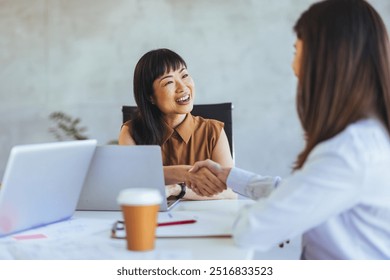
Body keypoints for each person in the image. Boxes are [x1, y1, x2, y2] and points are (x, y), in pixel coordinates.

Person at [188, 0, 390, 259]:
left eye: (297, 51)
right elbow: (300, 193)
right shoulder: (367, 137)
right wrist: (230, 176)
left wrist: (245, 212)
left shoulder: (348, 152)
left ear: (325, 58)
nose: (294, 68)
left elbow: (252, 229)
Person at [118, 48, 236, 200]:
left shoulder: (213, 131)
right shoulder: (130, 132)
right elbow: (131, 179)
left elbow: (230, 191)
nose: (183, 87)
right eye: (168, 82)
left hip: (201, 220)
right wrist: (185, 173)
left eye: (185, 75)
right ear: (150, 97)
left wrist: (178, 189)